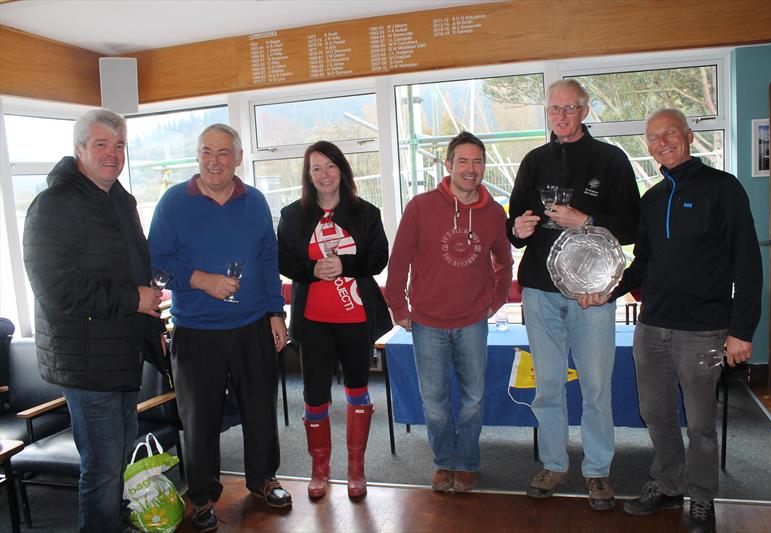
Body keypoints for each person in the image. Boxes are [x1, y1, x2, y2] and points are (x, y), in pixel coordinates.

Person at [579, 108, 762, 533]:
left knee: (699, 424)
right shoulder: (652, 199)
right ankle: (667, 483)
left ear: (688, 137)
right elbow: (642, 263)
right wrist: (610, 291)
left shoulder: (723, 189)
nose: (662, 142)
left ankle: (701, 497)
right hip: (652, 329)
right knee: (656, 414)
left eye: (670, 134)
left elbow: (747, 263)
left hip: (704, 331)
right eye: (653, 137)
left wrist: (742, 330)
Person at [23, 108, 163, 533]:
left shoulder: (120, 200)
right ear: (79, 150)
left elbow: (135, 270)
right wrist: (133, 298)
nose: (112, 153)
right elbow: (56, 288)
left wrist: (150, 314)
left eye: (119, 145)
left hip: (121, 353)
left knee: (118, 456)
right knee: (102, 467)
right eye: (101, 144)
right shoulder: (53, 205)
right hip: (85, 360)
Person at [148, 124, 291, 531]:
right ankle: (203, 496)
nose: (214, 160)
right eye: (206, 152)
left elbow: (268, 261)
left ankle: (263, 479)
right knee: (200, 420)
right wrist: (199, 280)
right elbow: (156, 264)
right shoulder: (174, 203)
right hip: (195, 332)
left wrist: (275, 313)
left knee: (260, 409)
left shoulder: (256, 202)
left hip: (251, 327)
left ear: (239, 158)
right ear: (197, 156)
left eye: (224, 153)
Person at [507, 79, 640, 510]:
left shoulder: (611, 160)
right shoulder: (532, 161)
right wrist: (517, 230)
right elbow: (516, 223)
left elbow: (633, 228)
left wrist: (587, 219)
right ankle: (553, 463)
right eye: (553, 109)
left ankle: (598, 471)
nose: (561, 116)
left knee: (597, 387)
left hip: (593, 294)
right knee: (547, 386)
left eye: (569, 108)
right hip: (540, 293)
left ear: (584, 111)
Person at [385, 131, 513, 493]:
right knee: (436, 403)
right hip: (427, 323)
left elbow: (504, 260)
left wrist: (497, 298)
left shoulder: (493, 212)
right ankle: (444, 462)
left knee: (473, 401)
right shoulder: (421, 206)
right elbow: (400, 260)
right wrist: (398, 305)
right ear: (448, 165)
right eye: (463, 161)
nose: (471, 169)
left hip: (474, 321)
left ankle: (468, 463)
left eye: (477, 162)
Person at [277, 141, 392, 499]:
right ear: (308, 176)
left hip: (356, 318)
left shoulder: (366, 213)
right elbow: (283, 263)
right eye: (316, 168)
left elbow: (378, 258)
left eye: (330, 166)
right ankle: (319, 469)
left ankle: (356, 469)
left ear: (342, 170)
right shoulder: (292, 215)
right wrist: (313, 270)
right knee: (314, 396)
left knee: (358, 390)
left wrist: (346, 265)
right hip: (313, 321)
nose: (324, 174)